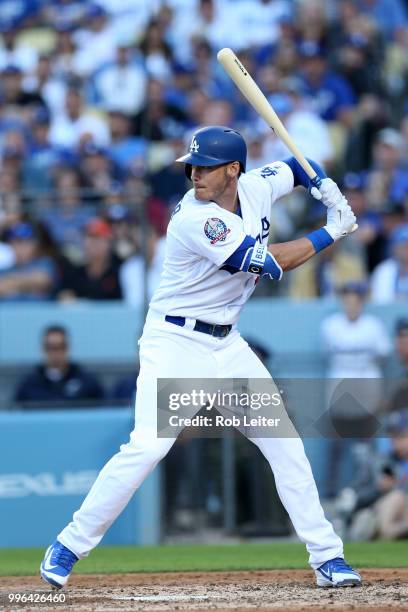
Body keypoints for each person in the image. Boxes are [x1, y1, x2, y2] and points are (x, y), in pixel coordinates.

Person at [40, 125, 362, 589]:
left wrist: (319, 182)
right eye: (192, 166)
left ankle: (328, 558)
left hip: (228, 344)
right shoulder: (194, 218)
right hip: (175, 344)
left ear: (233, 170)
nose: (195, 174)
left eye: (206, 167)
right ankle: (68, 545)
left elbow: (292, 165)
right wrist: (332, 228)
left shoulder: (255, 185)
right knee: (147, 447)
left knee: (286, 445)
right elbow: (273, 264)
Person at [320, 281, 391, 497]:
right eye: (346, 299)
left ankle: (366, 491)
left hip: (366, 393)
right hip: (339, 393)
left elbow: (382, 358)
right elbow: (328, 357)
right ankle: (331, 493)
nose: (350, 304)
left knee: (365, 448)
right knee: (335, 447)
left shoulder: (374, 326)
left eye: (355, 300)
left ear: (362, 302)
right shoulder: (330, 326)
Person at [15, 325, 105, 406]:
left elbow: (103, 410)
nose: (56, 353)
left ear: (68, 348)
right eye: (50, 347)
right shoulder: (29, 385)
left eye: (60, 347)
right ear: (43, 349)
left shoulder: (87, 382)